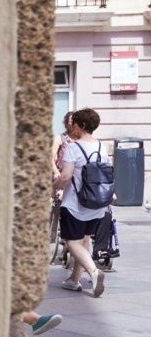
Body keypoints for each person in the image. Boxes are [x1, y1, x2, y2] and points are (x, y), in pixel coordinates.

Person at [55, 107, 109, 297]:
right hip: (97, 205)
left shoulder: (73, 147)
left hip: (75, 204)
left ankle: (94, 272)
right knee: (84, 241)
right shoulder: (102, 147)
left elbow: (66, 176)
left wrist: (55, 185)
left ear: (82, 125)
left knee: (72, 243)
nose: (73, 129)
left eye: (75, 125)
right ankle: (74, 280)